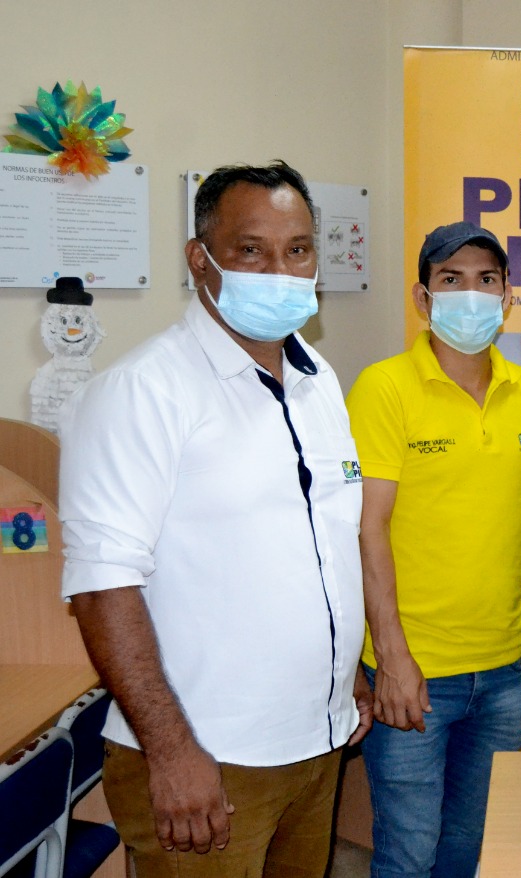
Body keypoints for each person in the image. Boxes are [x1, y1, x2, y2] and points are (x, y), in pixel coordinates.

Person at [58, 161, 371, 878]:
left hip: (316, 744)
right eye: (251, 250)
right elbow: (103, 588)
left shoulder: (319, 381)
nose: (281, 271)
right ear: (200, 260)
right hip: (207, 761)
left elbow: (322, 544)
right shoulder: (142, 391)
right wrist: (172, 751)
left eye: (298, 249)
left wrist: (344, 671)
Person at [346, 221, 521, 878]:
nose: (471, 294)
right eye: (451, 279)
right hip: (415, 673)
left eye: (486, 279)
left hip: (501, 674)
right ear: (423, 297)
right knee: (408, 856)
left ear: (507, 296)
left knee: (470, 851)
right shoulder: (384, 387)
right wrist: (392, 658)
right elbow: (368, 528)